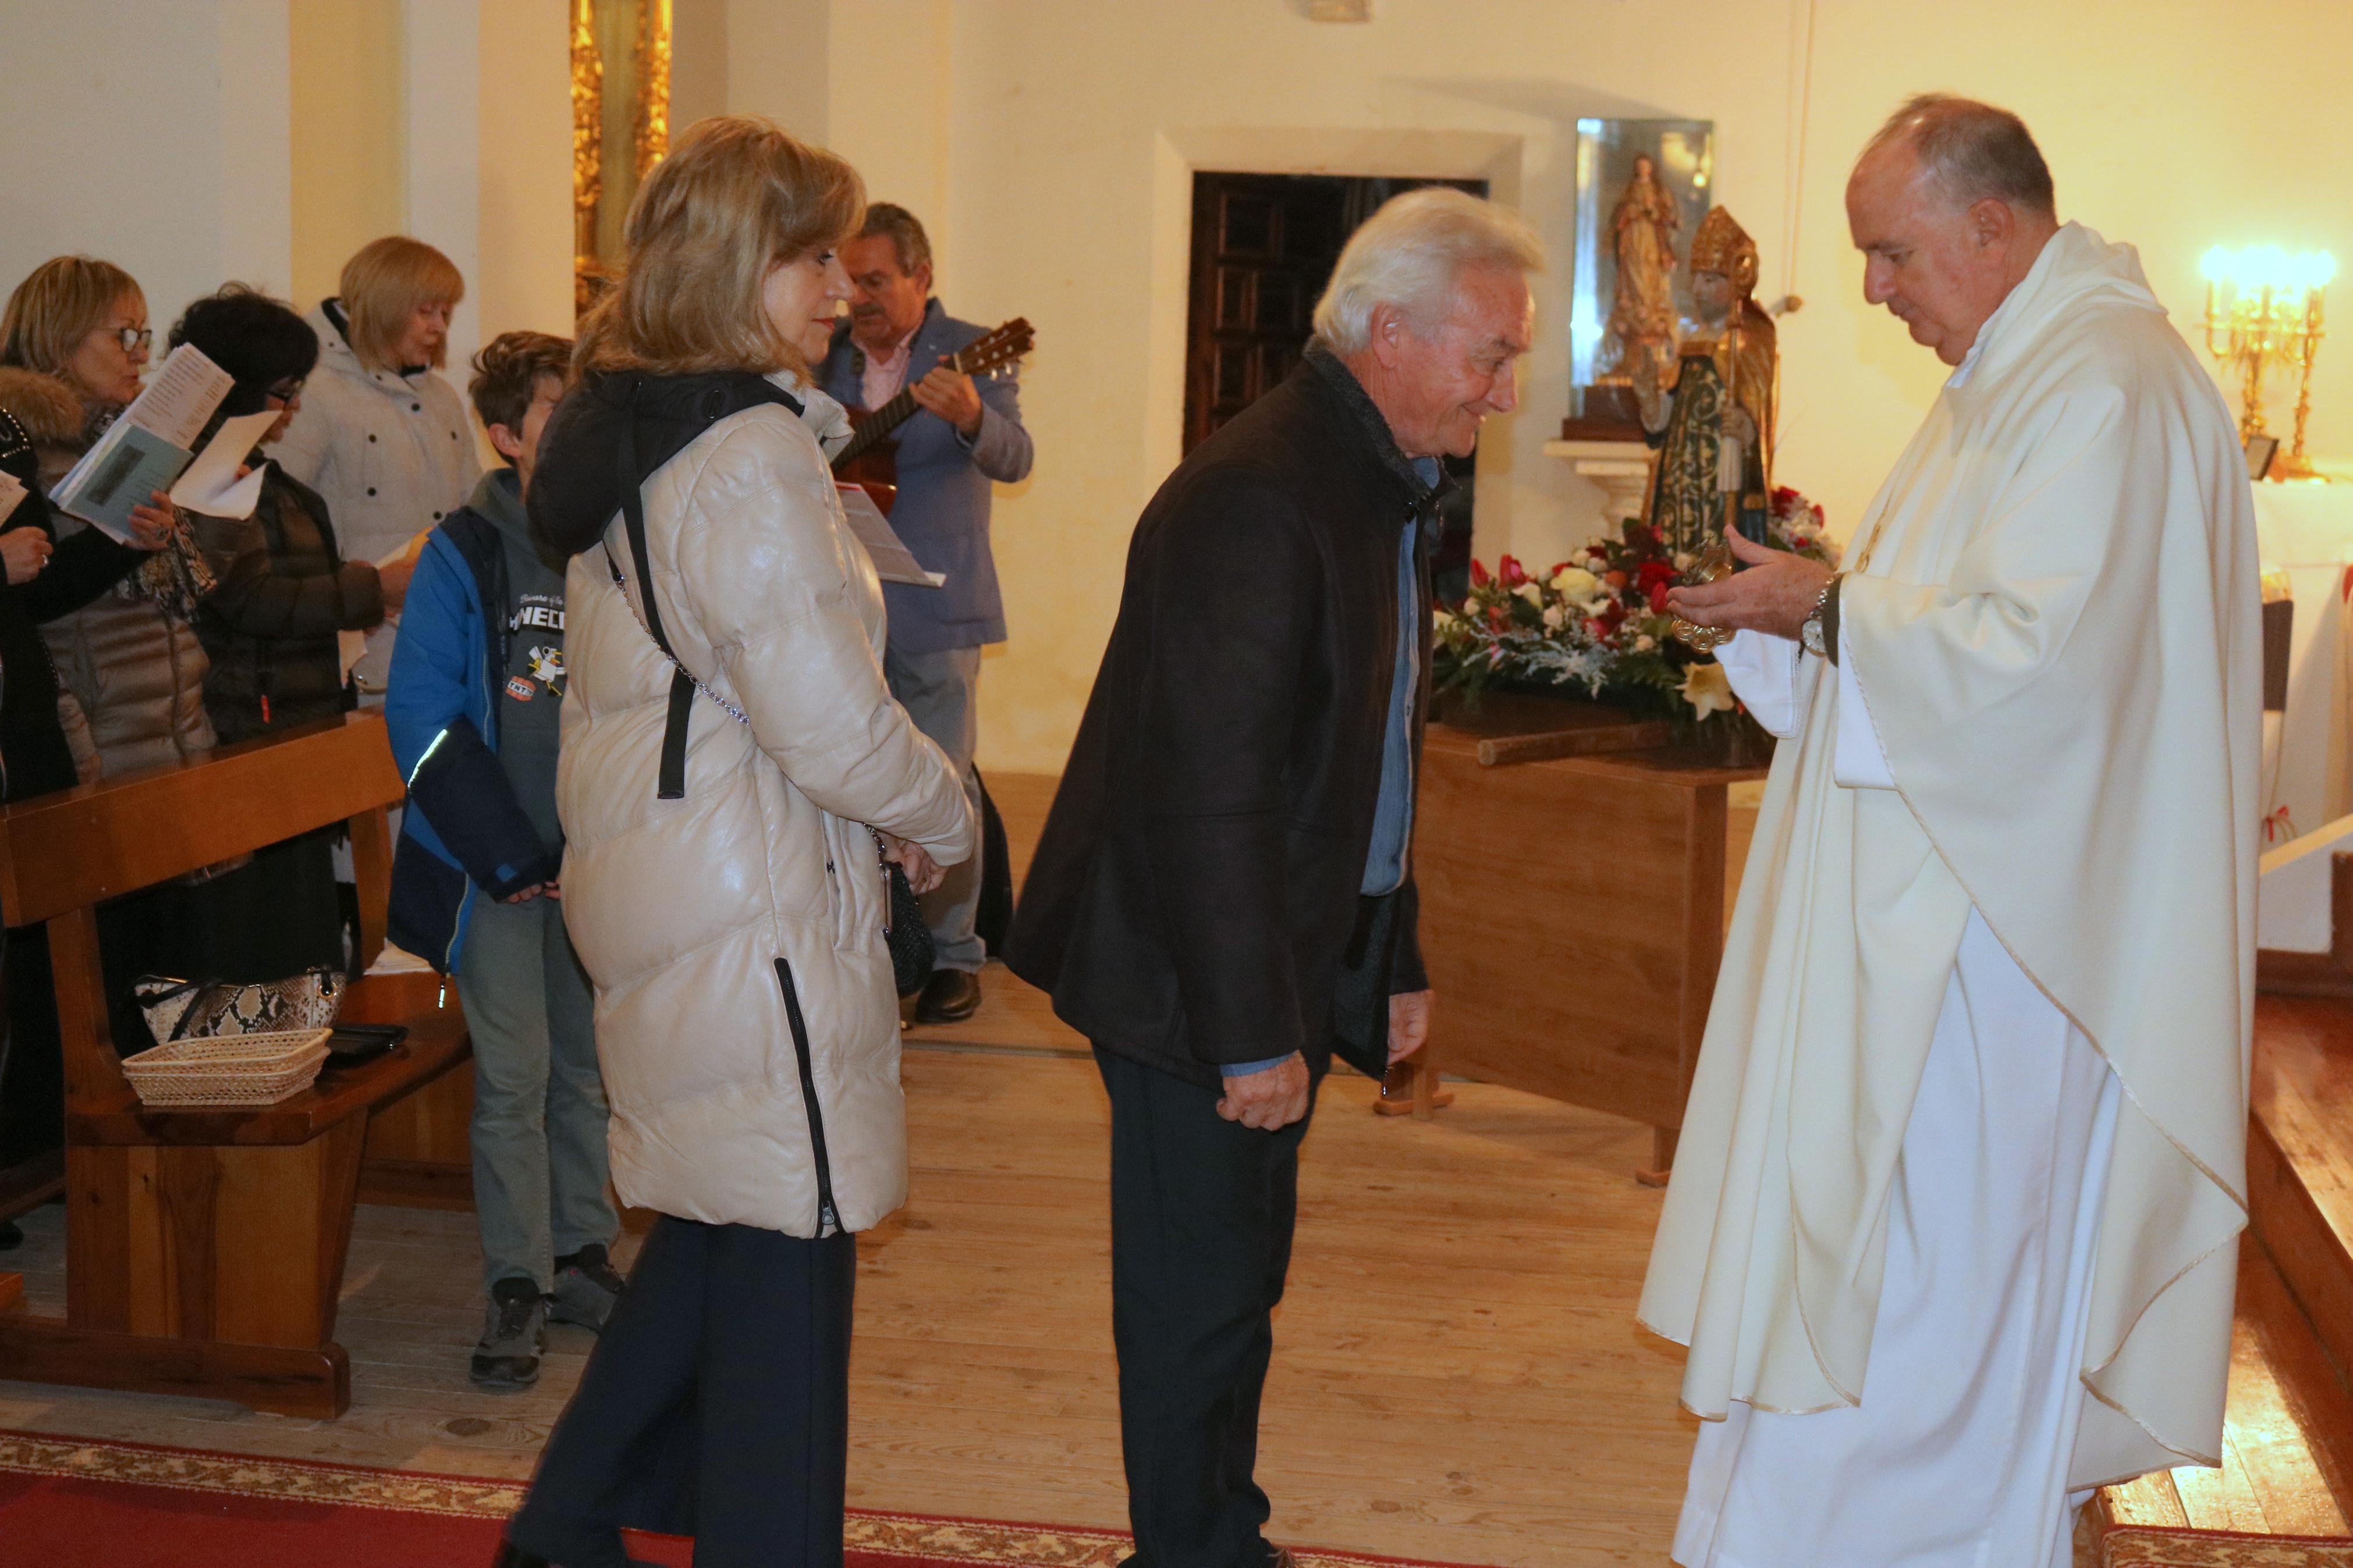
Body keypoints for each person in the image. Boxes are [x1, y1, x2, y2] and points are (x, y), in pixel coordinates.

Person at [1644, 95, 2258, 1568]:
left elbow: (2044, 672)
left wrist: (1832, 609)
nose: (1869, 290)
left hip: (2002, 953)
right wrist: (1807, 615)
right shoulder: (2016, 373)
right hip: (1938, 924)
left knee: (1930, 1278)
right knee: (1885, 1257)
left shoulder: (2102, 382)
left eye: (1889, 254)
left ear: (1992, 225)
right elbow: (1956, 634)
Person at [1005, 187, 1539, 1568]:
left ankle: (1215, 1533)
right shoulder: (1260, 495)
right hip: (1193, 974)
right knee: (1197, 1296)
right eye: (1488, 353)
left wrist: (1392, 951)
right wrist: (1250, 1030)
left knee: (1239, 1280)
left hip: (1263, 953)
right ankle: (1186, 1551)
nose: (1503, 387)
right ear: (1387, 332)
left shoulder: (1363, 480)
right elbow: (1208, 794)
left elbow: (1369, 754)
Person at [495, 117, 973, 1568]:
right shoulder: (745, 448)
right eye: (813, 256)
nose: (841, 286)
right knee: (791, 1240)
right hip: (745, 883)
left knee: (726, 1213)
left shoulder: (641, 424)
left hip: (679, 863)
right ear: (731, 264)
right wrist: (945, 810)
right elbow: (824, 722)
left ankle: (566, 1527)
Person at [384, 329, 621, 1391]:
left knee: (588, 1069)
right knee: (515, 1076)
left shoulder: (612, 543)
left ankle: (581, 1254)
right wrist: (510, 852)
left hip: (596, 862)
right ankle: (517, 1280)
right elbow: (424, 718)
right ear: (505, 436)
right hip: (495, 868)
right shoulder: (463, 552)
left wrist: (607, 839)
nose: (573, 436)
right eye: (555, 418)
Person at [818, 202, 1032, 1024]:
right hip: (839, 611)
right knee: (852, 776)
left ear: (922, 277)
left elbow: (1017, 458)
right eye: (848, 281)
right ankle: (865, 936)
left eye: (875, 280)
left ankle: (951, 953)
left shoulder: (970, 351)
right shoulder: (820, 353)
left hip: (938, 610)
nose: (857, 298)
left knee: (945, 782)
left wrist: (973, 416)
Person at [1, 257, 215, 780]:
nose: (142, 353)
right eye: (124, 336)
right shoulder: (21, 445)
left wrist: (153, 528)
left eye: (143, 334)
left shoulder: (123, 432)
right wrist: (125, 539)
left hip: (168, 707)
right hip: (95, 720)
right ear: (60, 338)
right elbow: (32, 594)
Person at [268, 235, 480, 701]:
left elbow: (472, 509)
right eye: (426, 311)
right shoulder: (316, 392)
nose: (439, 327)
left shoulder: (442, 398)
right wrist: (356, 596)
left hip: (443, 638)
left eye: (445, 313)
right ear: (386, 306)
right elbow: (280, 524)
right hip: (354, 646)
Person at [172, 286, 384, 744]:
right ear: (236, 387)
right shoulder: (200, 473)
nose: (295, 407)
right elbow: (246, 598)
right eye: (284, 392)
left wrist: (344, 586)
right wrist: (374, 589)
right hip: (247, 721)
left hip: (292, 712)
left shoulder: (275, 483)